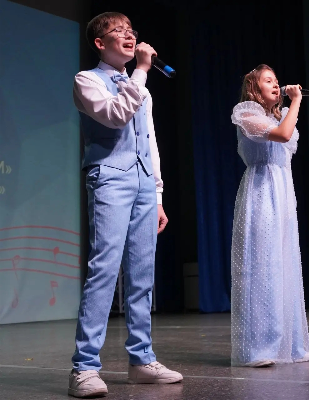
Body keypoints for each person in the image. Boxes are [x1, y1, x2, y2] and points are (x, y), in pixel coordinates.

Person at [69, 12, 181, 398]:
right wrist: (143, 71)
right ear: (100, 43)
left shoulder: (140, 87)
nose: (129, 35)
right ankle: (84, 367)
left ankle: (141, 360)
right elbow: (116, 116)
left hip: (144, 183)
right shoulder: (87, 80)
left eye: (132, 30)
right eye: (119, 31)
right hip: (110, 178)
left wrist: (158, 193)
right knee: (104, 269)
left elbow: (150, 141)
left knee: (142, 273)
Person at [230, 64, 309, 367]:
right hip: (262, 191)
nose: (276, 85)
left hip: (283, 191)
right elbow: (282, 134)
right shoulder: (246, 113)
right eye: (269, 81)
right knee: (263, 264)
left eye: (277, 80)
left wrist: (289, 108)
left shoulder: (279, 116)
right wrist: (297, 101)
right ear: (255, 88)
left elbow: (285, 134)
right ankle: (259, 348)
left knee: (284, 263)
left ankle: (289, 345)